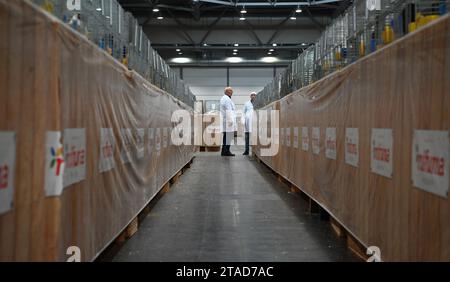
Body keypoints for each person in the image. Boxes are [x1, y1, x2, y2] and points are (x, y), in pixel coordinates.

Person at [220, 87, 236, 157]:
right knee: (228, 136)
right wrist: (231, 121)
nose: (231, 92)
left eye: (231, 91)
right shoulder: (226, 99)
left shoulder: (226, 98)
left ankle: (224, 151)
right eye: (229, 91)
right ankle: (226, 151)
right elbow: (228, 110)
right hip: (228, 120)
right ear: (226, 92)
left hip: (226, 120)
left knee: (226, 136)